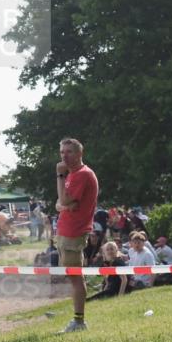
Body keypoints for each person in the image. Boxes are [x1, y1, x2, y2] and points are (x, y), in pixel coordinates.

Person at [54, 137, 99, 332]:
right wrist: (64, 204)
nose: (64, 156)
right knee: (72, 277)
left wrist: (59, 176)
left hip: (73, 233)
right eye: (62, 152)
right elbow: (60, 203)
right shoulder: (73, 174)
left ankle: (79, 321)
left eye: (69, 152)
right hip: (66, 232)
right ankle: (77, 318)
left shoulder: (80, 174)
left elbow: (63, 200)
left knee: (75, 278)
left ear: (80, 153)